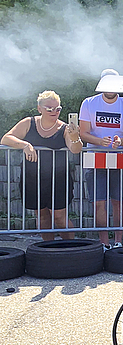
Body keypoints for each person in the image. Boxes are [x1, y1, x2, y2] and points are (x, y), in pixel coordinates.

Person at [1, 91, 82, 241]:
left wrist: (75, 136)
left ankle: (72, 249)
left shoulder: (64, 128)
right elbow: (6, 138)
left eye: (58, 109)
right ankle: (47, 250)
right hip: (33, 177)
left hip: (58, 178)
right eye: (49, 108)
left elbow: (75, 149)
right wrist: (25, 144)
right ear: (39, 108)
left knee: (59, 218)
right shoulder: (28, 123)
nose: (54, 112)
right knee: (42, 217)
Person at [79, 69, 123, 250]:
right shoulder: (89, 103)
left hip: (119, 157)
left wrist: (121, 140)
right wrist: (99, 141)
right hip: (95, 158)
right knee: (99, 201)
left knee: (118, 201)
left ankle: (118, 241)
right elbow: (83, 133)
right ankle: (104, 243)